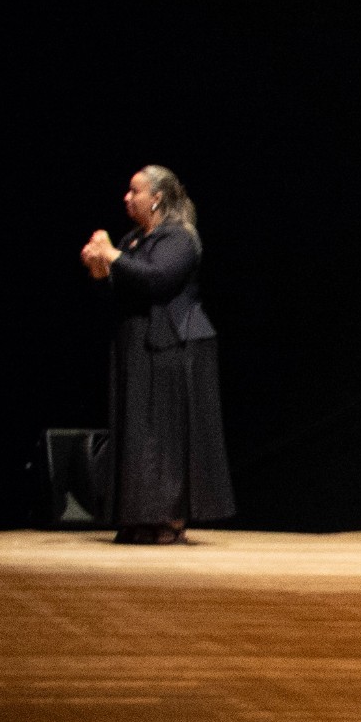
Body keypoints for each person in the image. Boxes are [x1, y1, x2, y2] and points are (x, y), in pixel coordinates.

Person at [80, 163, 234, 544]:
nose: (127, 197)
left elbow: (158, 279)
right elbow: (125, 285)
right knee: (137, 432)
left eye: (135, 191)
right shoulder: (134, 239)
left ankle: (168, 518)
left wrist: (111, 255)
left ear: (157, 198)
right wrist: (101, 268)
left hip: (173, 348)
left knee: (165, 434)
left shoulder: (180, 237)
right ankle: (139, 516)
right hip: (137, 345)